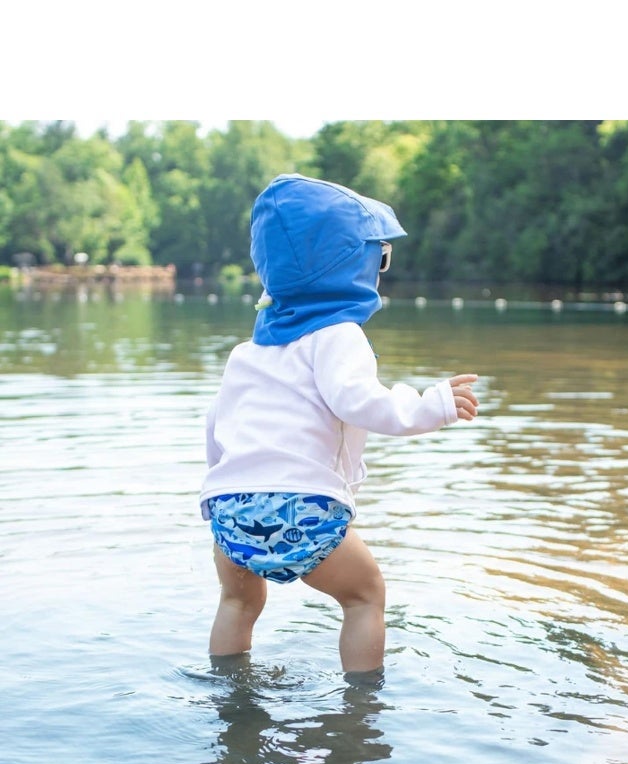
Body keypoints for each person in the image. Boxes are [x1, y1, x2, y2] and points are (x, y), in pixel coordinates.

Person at [200, 173, 478, 681]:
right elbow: (362, 403)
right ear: (354, 266)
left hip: (228, 509)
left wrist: (228, 491)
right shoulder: (337, 334)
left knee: (237, 604)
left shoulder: (247, 352)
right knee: (364, 596)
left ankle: (229, 696)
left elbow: (216, 428)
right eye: (380, 258)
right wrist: (432, 405)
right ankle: (361, 710)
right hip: (300, 508)